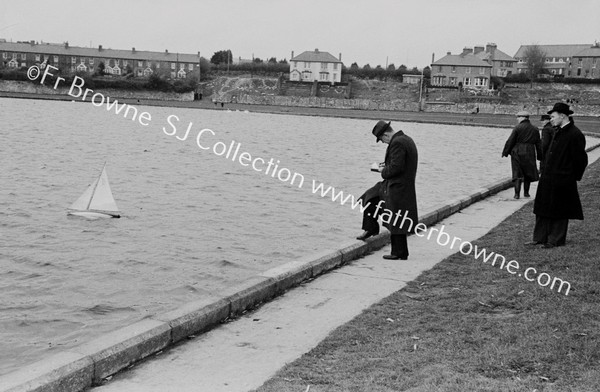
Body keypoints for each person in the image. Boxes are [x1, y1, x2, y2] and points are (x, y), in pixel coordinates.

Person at [356, 120, 419, 260]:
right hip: (401, 185)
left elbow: (396, 168)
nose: (383, 143)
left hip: (396, 186)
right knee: (370, 197)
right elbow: (399, 163)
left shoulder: (397, 143)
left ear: (386, 135)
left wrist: (382, 170)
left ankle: (398, 252)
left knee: (396, 219)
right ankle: (371, 229)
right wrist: (386, 165)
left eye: (381, 139)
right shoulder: (406, 139)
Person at [528, 103, 588, 248]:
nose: (551, 119)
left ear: (563, 116)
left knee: (559, 209)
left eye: (553, 117)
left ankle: (555, 239)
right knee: (543, 207)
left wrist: (571, 176)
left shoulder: (574, 134)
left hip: (562, 178)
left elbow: (580, 159)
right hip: (548, 177)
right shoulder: (558, 131)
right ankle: (540, 237)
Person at [502, 111, 542, 199]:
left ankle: (517, 194)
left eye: (518, 117)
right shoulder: (535, 129)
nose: (517, 119)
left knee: (517, 172)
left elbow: (510, 140)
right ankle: (526, 193)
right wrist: (540, 155)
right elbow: (538, 143)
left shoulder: (518, 128)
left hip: (518, 151)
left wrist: (505, 152)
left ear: (523, 117)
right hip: (530, 151)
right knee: (528, 172)